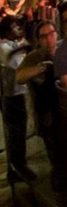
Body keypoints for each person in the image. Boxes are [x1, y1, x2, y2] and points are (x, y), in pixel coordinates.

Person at [16, 20, 58, 186]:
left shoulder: (62, 49)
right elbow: (19, 77)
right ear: (38, 40)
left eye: (51, 34)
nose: (49, 39)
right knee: (52, 147)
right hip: (46, 112)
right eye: (43, 36)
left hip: (65, 111)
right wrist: (42, 68)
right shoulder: (35, 56)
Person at [0, 16, 34, 183]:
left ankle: (17, 167)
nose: (18, 29)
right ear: (6, 31)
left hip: (19, 95)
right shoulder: (4, 48)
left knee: (19, 133)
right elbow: (19, 64)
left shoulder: (14, 45)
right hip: (12, 97)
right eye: (14, 27)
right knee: (16, 135)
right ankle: (17, 169)